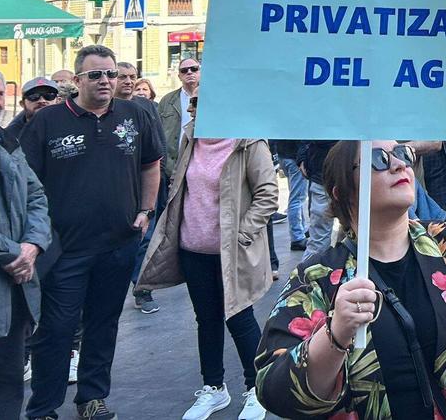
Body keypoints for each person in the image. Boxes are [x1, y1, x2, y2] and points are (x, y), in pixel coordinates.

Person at [255, 140, 446, 419]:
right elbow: (275, 389)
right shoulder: (317, 278)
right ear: (342, 191)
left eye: (402, 153)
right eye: (378, 159)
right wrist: (334, 335)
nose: (399, 163)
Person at [22, 45, 163, 420]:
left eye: (111, 74)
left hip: (118, 244)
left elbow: (152, 164)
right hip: (64, 247)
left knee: (103, 325)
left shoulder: (134, 114)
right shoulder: (48, 122)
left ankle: (92, 399)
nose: (106, 81)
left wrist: (146, 210)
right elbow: (27, 183)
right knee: (56, 329)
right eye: (96, 75)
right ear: (78, 80)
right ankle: (43, 408)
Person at [139, 94, 275, 420]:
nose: (192, 108)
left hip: (232, 253)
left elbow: (268, 194)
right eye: (193, 103)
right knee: (207, 320)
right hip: (192, 249)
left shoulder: (248, 142)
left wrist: (242, 234)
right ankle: (214, 388)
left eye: (199, 103)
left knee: (240, 319)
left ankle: (256, 389)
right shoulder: (191, 138)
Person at [0, 92, 51, 419]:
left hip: (15, 290)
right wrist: (15, 253)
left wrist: (33, 245)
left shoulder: (6, 139)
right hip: (13, 270)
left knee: (9, 382)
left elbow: (36, 195)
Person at [116, 61, 170, 315]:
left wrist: (163, 176)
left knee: (146, 237)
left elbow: (159, 145)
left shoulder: (146, 107)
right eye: (122, 76)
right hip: (116, 186)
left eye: (132, 77)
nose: (127, 81)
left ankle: (141, 288)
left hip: (147, 183)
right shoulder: (103, 109)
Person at [160, 57, 202, 191]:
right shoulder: (168, 100)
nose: (189, 72)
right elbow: (158, 132)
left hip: (201, 163)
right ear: (179, 76)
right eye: (184, 70)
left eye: (194, 69)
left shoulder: (210, 96)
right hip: (172, 165)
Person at [297, 141, 335, 259]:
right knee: (318, 241)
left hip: (357, 173)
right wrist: (302, 155)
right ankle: (307, 275)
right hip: (323, 173)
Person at [273, 140, 309, 251]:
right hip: (294, 157)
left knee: (296, 196)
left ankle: (300, 231)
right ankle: (297, 237)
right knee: (297, 199)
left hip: (284, 155)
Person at [4, 77, 60, 148]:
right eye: (34, 96)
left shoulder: (70, 126)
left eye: (49, 96)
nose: (42, 100)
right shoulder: (9, 136)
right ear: (22, 104)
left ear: (58, 101)